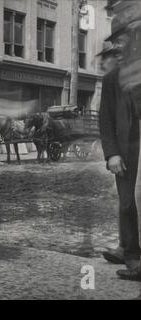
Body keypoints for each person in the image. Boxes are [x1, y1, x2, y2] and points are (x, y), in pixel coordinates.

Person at [99, 17, 140, 274]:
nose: (120, 51)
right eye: (115, 46)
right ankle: (132, 256)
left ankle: (128, 248)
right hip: (126, 149)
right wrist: (112, 153)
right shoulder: (111, 79)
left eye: (124, 44)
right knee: (127, 201)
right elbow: (106, 119)